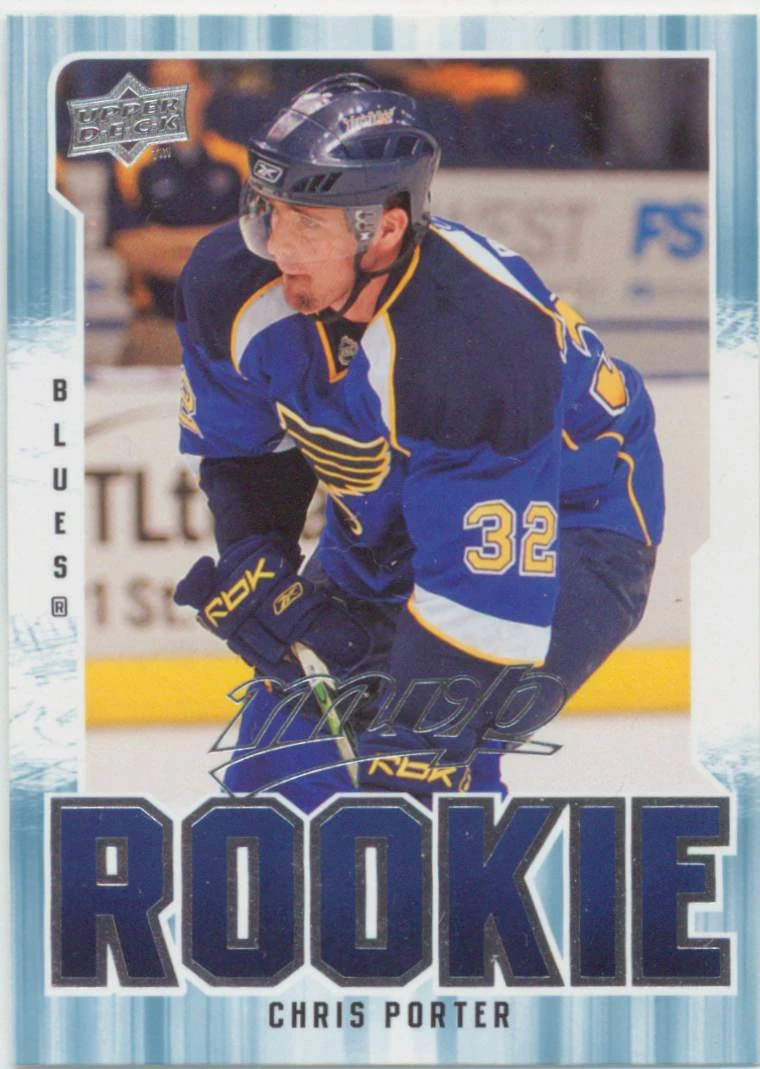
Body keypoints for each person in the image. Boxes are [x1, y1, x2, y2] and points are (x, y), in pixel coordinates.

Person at [173, 73, 663, 811]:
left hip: (574, 518)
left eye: (307, 222)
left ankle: (451, 874)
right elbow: (246, 450)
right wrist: (256, 558)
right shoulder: (228, 286)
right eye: (267, 210)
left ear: (385, 229)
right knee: (276, 773)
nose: (277, 245)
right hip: (393, 511)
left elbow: (484, 604)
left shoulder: (474, 340)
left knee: (431, 763)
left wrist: (416, 744)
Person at [108, 59, 249, 365]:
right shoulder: (130, 165)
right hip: (158, 328)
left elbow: (249, 247)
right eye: (162, 85)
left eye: (182, 84)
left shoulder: (238, 162)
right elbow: (131, 249)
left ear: (204, 90)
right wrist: (218, 240)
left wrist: (162, 240)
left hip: (229, 328)